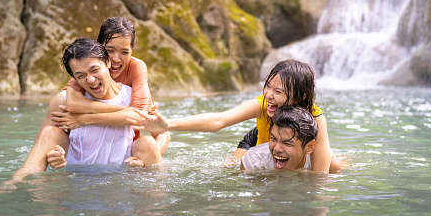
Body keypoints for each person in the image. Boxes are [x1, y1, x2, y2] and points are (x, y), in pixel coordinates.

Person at [129, 59, 342, 174]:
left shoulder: (315, 117)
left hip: (285, 147)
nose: (269, 95)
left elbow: (319, 177)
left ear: (300, 97)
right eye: (268, 86)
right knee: (228, 169)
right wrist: (169, 124)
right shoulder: (263, 104)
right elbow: (219, 120)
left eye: (278, 92)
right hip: (257, 141)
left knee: (334, 166)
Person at [47, 17, 170, 169]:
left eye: (125, 52)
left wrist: (147, 159)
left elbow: (150, 124)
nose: (116, 59)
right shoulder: (88, 71)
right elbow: (73, 104)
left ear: (132, 51)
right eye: (109, 50)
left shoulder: (136, 68)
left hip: (125, 150)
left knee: (148, 142)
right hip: (86, 153)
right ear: (98, 48)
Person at [241, 106, 318, 172]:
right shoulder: (254, 161)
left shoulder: (322, 163)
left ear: (309, 147)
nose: (276, 149)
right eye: (273, 139)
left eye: (287, 143)